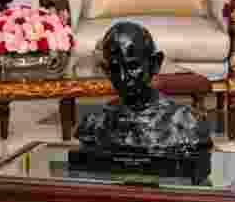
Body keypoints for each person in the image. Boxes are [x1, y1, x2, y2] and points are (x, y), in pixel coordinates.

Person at [75, 22, 212, 156]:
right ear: (106, 70)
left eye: (133, 66)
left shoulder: (186, 123)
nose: (123, 78)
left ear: (155, 64)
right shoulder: (94, 124)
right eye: (115, 69)